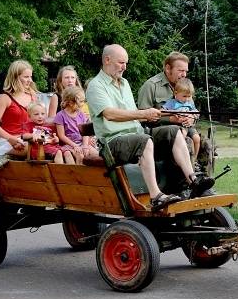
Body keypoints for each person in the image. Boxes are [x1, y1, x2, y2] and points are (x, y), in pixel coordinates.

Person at [85, 44, 214, 211]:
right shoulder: (96, 85)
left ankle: (193, 180)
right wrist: (144, 114)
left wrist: (155, 114)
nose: (124, 67)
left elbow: (133, 114)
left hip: (136, 134)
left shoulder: (124, 83)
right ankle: (156, 196)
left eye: (126, 63)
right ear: (107, 60)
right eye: (121, 62)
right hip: (113, 142)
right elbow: (110, 114)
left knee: (173, 131)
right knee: (144, 140)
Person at [0, 59, 39, 157]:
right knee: (31, 149)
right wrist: (10, 138)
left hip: (29, 138)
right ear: (15, 77)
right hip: (10, 140)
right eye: (26, 77)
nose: (30, 80)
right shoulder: (5, 98)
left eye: (31, 77)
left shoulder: (33, 96)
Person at [53, 86, 99, 164]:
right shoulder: (60, 115)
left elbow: (85, 133)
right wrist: (75, 145)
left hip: (82, 143)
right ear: (71, 103)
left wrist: (85, 145)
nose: (83, 104)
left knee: (96, 154)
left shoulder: (81, 114)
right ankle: (78, 174)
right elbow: (62, 136)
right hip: (69, 145)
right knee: (80, 156)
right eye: (81, 102)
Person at [161, 78, 200, 164]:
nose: (187, 99)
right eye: (184, 96)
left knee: (197, 138)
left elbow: (197, 112)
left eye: (189, 96)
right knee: (183, 136)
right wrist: (173, 112)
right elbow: (162, 111)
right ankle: (180, 159)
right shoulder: (172, 102)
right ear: (176, 93)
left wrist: (192, 115)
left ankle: (194, 160)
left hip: (190, 125)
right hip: (180, 126)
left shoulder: (190, 103)